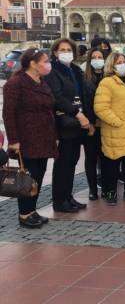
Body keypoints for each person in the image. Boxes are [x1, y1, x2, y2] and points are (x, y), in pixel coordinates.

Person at [3, 48, 58, 228]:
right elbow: (8, 113)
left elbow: (49, 108)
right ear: (33, 64)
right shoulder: (16, 83)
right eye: (45, 61)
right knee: (27, 176)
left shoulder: (41, 81)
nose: (48, 64)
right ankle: (24, 213)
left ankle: (32, 209)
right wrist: (14, 140)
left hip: (43, 135)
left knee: (39, 174)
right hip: (26, 136)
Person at [44, 38, 90, 213]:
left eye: (68, 49)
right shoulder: (52, 71)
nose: (65, 52)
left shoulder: (75, 70)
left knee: (73, 160)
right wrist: (77, 114)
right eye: (61, 49)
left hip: (78, 123)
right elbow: (57, 97)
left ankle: (68, 196)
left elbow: (82, 94)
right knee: (63, 162)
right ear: (55, 52)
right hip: (65, 122)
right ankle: (59, 199)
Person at [94, 53, 125, 205]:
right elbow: (100, 107)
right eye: (119, 62)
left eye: (124, 62)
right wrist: (117, 122)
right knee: (111, 164)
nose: (122, 64)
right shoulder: (107, 83)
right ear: (111, 66)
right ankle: (110, 191)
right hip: (115, 131)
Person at [81, 47, 106, 200]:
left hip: (106, 124)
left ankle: (105, 185)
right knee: (91, 158)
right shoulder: (84, 78)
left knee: (105, 158)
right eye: (94, 57)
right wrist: (90, 121)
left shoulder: (109, 76)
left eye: (100, 57)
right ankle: (92, 189)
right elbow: (83, 102)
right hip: (90, 125)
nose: (97, 60)